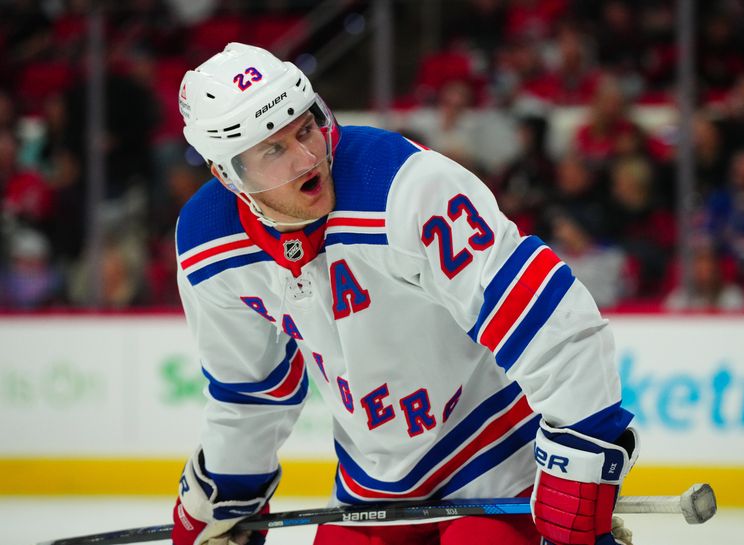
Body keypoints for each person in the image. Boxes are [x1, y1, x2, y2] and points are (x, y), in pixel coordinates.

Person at [171, 42, 639, 545]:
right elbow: (251, 389)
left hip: (499, 468)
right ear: (226, 174)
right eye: (273, 150)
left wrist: (582, 454)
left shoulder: (402, 186)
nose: (307, 158)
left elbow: (547, 318)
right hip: (370, 495)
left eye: (305, 129)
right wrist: (226, 485)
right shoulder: (207, 243)